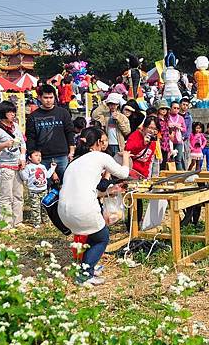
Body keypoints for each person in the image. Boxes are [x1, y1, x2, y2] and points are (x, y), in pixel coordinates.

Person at [59, 127, 131, 286]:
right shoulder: (99, 156)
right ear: (98, 142)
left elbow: (86, 187)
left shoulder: (75, 161)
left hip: (63, 211)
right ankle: (84, 275)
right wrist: (125, 156)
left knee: (93, 234)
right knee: (102, 238)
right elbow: (124, 173)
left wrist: (108, 191)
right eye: (103, 140)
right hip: (83, 209)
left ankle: (88, 266)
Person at [26, 85, 75, 186]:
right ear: (39, 98)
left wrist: (71, 150)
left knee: (66, 184)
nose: (48, 100)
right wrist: (32, 155)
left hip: (62, 155)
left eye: (51, 97)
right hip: (42, 158)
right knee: (43, 186)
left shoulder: (63, 113)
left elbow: (69, 132)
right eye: (45, 97)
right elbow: (30, 137)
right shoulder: (33, 116)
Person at [0, 101, 27, 229]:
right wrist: (4, 145)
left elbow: (22, 143)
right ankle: (5, 224)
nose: (12, 114)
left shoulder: (16, 126)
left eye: (13, 111)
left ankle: (18, 221)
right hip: (4, 165)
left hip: (17, 164)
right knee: (6, 196)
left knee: (18, 195)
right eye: (9, 112)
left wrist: (22, 157)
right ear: (3, 113)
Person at [19, 150, 57, 228]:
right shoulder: (28, 167)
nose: (39, 157)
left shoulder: (42, 166)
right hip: (34, 192)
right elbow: (24, 177)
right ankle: (36, 222)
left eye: (40, 156)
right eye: (36, 155)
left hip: (44, 190)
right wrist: (21, 169)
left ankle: (46, 220)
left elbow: (47, 175)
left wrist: (52, 168)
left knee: (45, 207)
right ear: (29, 157)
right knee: (35, 208)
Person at [168, 100, 187, 170]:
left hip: (179, 141)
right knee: (169, 159)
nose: (176, 110)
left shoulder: (181, 118)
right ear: (170, 108)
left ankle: (180, 175)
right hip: (169, 141)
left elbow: (185, 129)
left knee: (178, 160)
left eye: (178, 108)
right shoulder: (167, 117)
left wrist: (179, 128)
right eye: (174, 108)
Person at [156, 100, 172, 170]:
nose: (164, 110)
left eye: (166, 109)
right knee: (158, 164)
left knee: (163, 165)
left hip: (166, 145)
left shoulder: (166, 120)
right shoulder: (156, 120)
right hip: (159, 145)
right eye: (162, 108)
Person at [179, 97, 193, 169]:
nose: (185, 106)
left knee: (186, 155)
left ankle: (185, 169)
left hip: (185, 139)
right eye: (183, 104)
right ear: (180, 105)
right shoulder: (176, 115)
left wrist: (185, 136)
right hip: (177, 138)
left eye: (186, 105)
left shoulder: (189, 117)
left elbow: (189, 129)